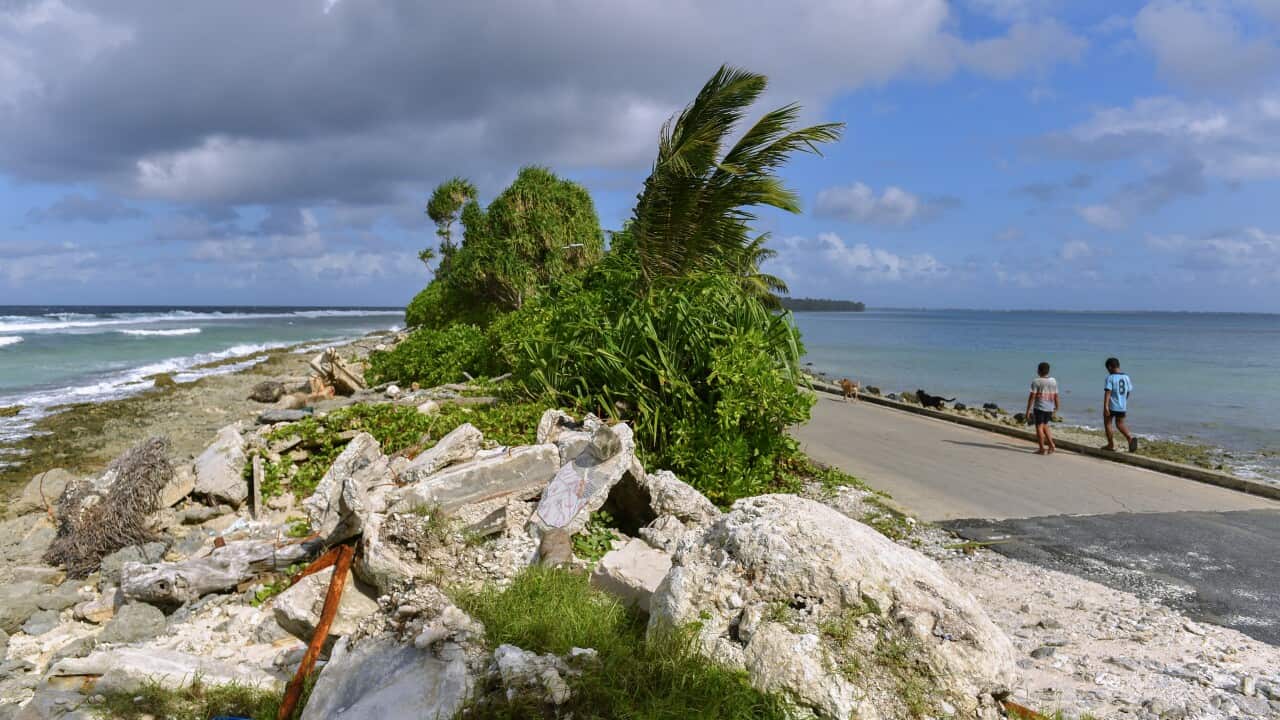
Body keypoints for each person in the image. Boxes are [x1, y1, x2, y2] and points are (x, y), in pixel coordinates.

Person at [1103, 357, 1137, 452]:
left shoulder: (1110, 378)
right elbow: (1128, 391)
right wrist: (1124, 400)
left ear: (1110, 367)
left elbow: (1108, 393)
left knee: (1108, 423)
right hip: (1122, 405)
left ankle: (1110, 445)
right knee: (1120, 424)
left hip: (1111, 405)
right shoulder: (1126, 377)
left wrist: (1106, 406)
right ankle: (1129, 438)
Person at [1026, 361, 1059, 455]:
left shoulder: (1036, 381)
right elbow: (1056, 395)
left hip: (1040, 407)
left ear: (1038, 371)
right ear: (1048, 371)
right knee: (1045, 425)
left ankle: (1041, 448)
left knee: (1039, 427)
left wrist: (1028, 410)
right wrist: (1057, 407)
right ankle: (1051, 445)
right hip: (1050, 407)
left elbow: (1032, 396)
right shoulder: (1053, 381)